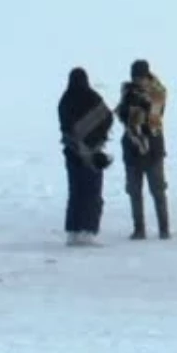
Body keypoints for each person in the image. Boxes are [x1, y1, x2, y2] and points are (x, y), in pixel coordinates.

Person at [114, 59, 171, 240]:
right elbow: (121, 113)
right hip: (132, 146)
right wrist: (127, 108)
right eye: (135, 77)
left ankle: (164, 228)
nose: (137, 81)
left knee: (158, 190)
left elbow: (153, 117)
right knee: (134, 191)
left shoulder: (157, 91)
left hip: (152, 146)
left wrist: (136, 106)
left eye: (140, 77)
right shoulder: (128, 91)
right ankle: (139, 228)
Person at [58, 67, 114, 246]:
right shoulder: (93, 97)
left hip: (72, 154)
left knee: (75, 193)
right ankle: (88, 231)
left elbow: (66, 129)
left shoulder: (64, 100)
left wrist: (78, 141)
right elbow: (108, 117)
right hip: (92, 153)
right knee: (92, 193)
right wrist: (98, 138)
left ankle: (72, 232)